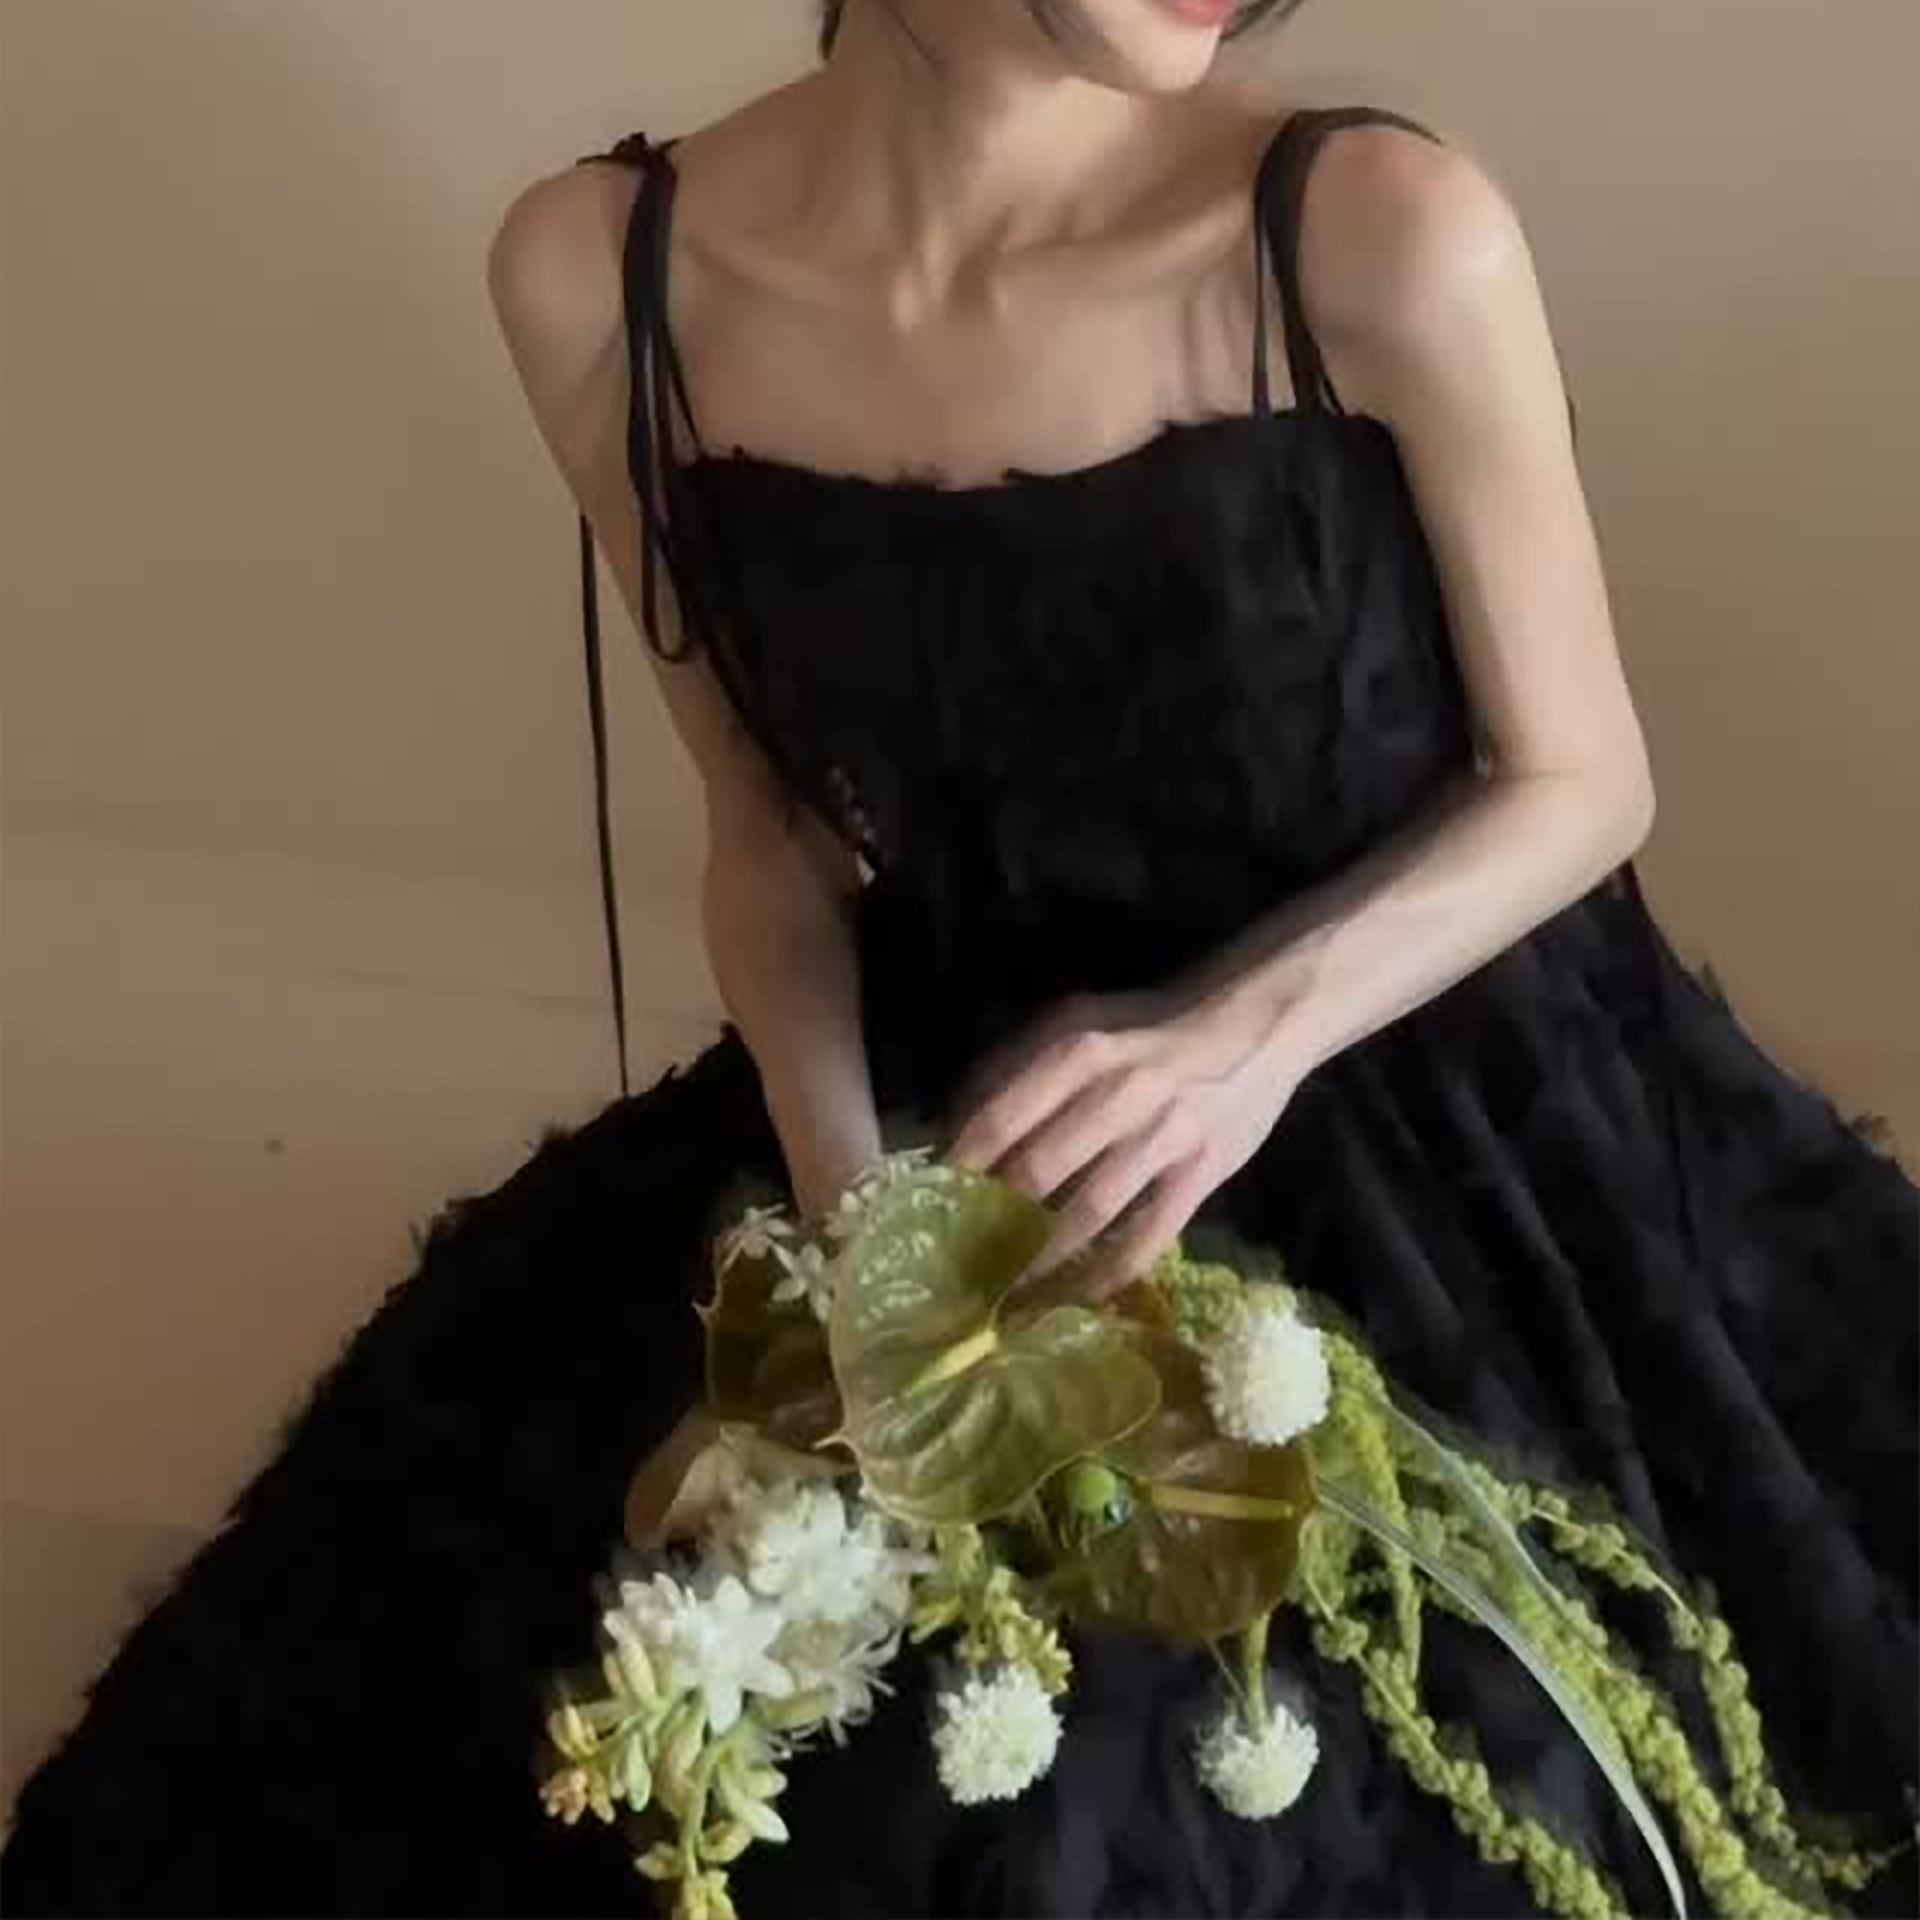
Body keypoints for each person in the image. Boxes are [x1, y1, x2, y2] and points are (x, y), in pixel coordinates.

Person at [5, 1, 1915, 1914]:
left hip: (1408, 1071)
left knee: (1235, 1773)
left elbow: (1581, 779)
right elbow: (767, 835)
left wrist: (1234, 1046)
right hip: (946, 1105)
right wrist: (862, 1229)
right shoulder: (606, 279)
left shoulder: (1377, 233)